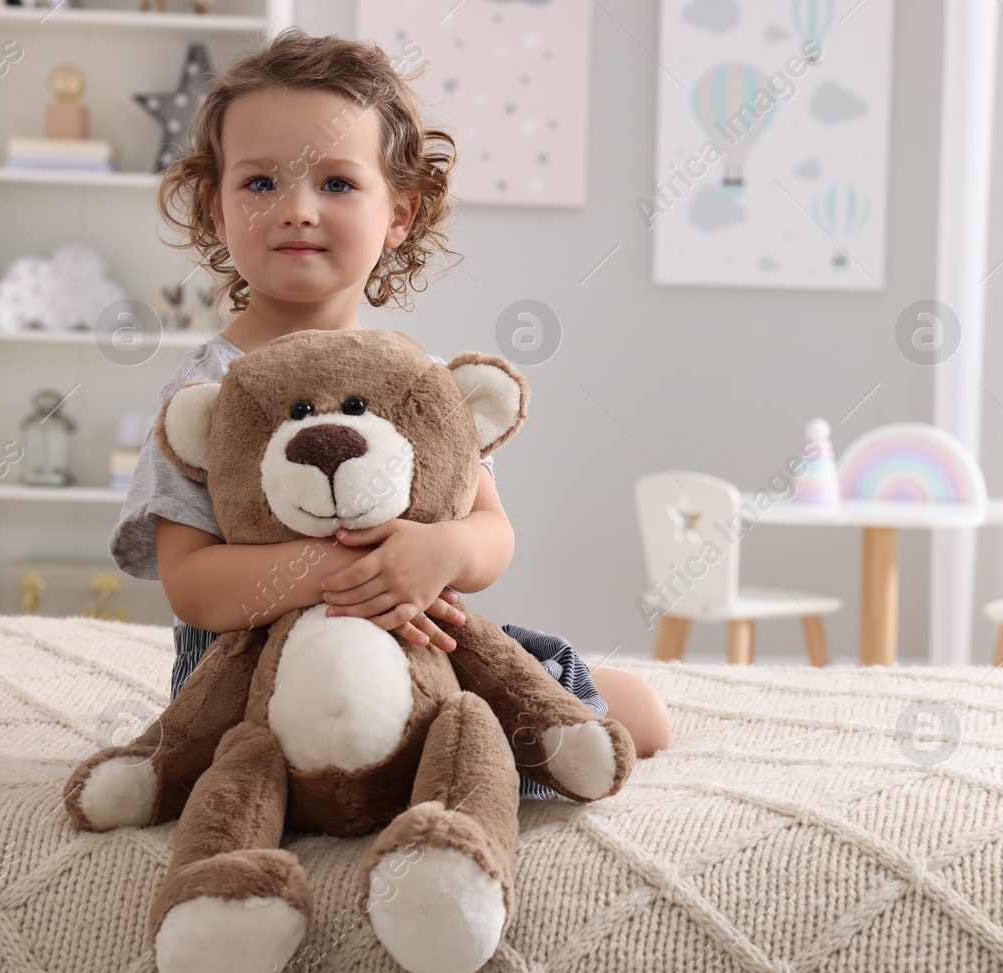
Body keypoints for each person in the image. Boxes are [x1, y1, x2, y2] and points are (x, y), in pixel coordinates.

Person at [108, 29, 671, 799]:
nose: (296, 210)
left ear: (399, 214)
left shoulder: (415, 386)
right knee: (249, 772)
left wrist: (436, 553)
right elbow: (193, 586)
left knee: (623, 717)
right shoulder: (207, 392)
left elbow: (490, 532)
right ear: (216, 207)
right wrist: (347, 572)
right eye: (260, 183)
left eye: (337, 183)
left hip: (408, 656)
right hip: (248, 681)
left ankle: (565, 699)